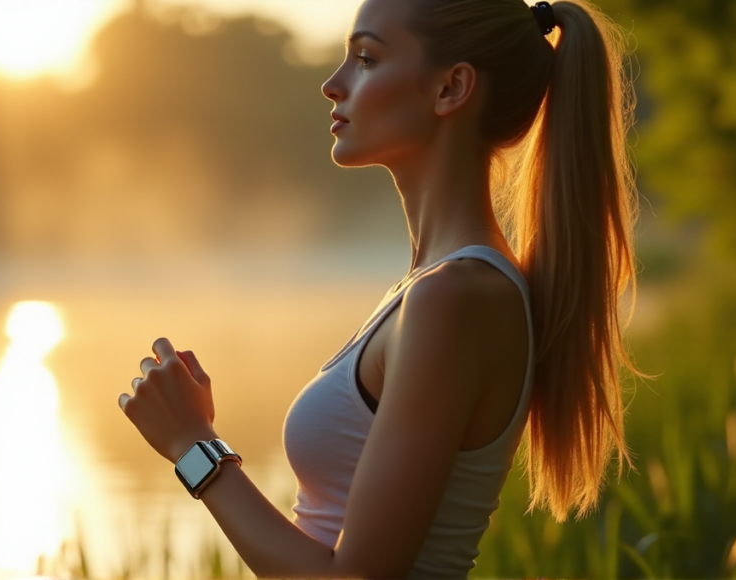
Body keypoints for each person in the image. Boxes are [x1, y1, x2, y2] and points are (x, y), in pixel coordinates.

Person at [117, 0, 639, 576]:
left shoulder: (459, 297)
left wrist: (194, 447)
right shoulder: (426, 290)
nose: (331, 85)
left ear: (451, 88)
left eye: (365, 58)